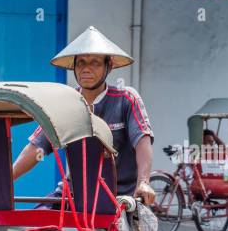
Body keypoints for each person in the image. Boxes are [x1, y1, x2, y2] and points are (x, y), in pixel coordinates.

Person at [12, 26, 155, 205]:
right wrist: (8, 179)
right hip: (73, 194)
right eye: (81, 63)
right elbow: (37, 148)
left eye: (95, 63)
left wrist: (143, 183)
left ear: (108, 66)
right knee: (37, 225)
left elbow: (142, 141)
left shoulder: (126, 99)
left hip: (116, 198)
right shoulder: (65, 104)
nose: (86, 69)